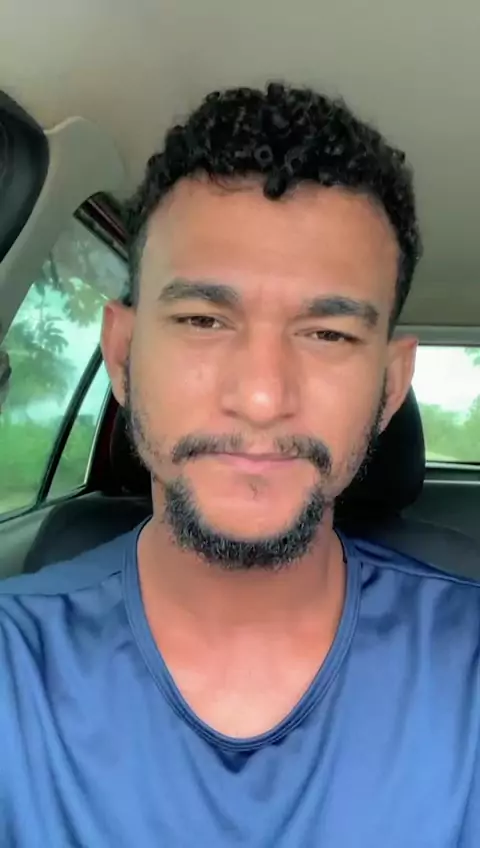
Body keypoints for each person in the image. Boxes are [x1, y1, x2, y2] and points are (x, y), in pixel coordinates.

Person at [0, 83, 479, 847]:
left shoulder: (467, 668)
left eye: (327, 334)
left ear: (391, 387)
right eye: (202, 320)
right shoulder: (14, 666)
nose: (260, 397)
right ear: (121, 354)